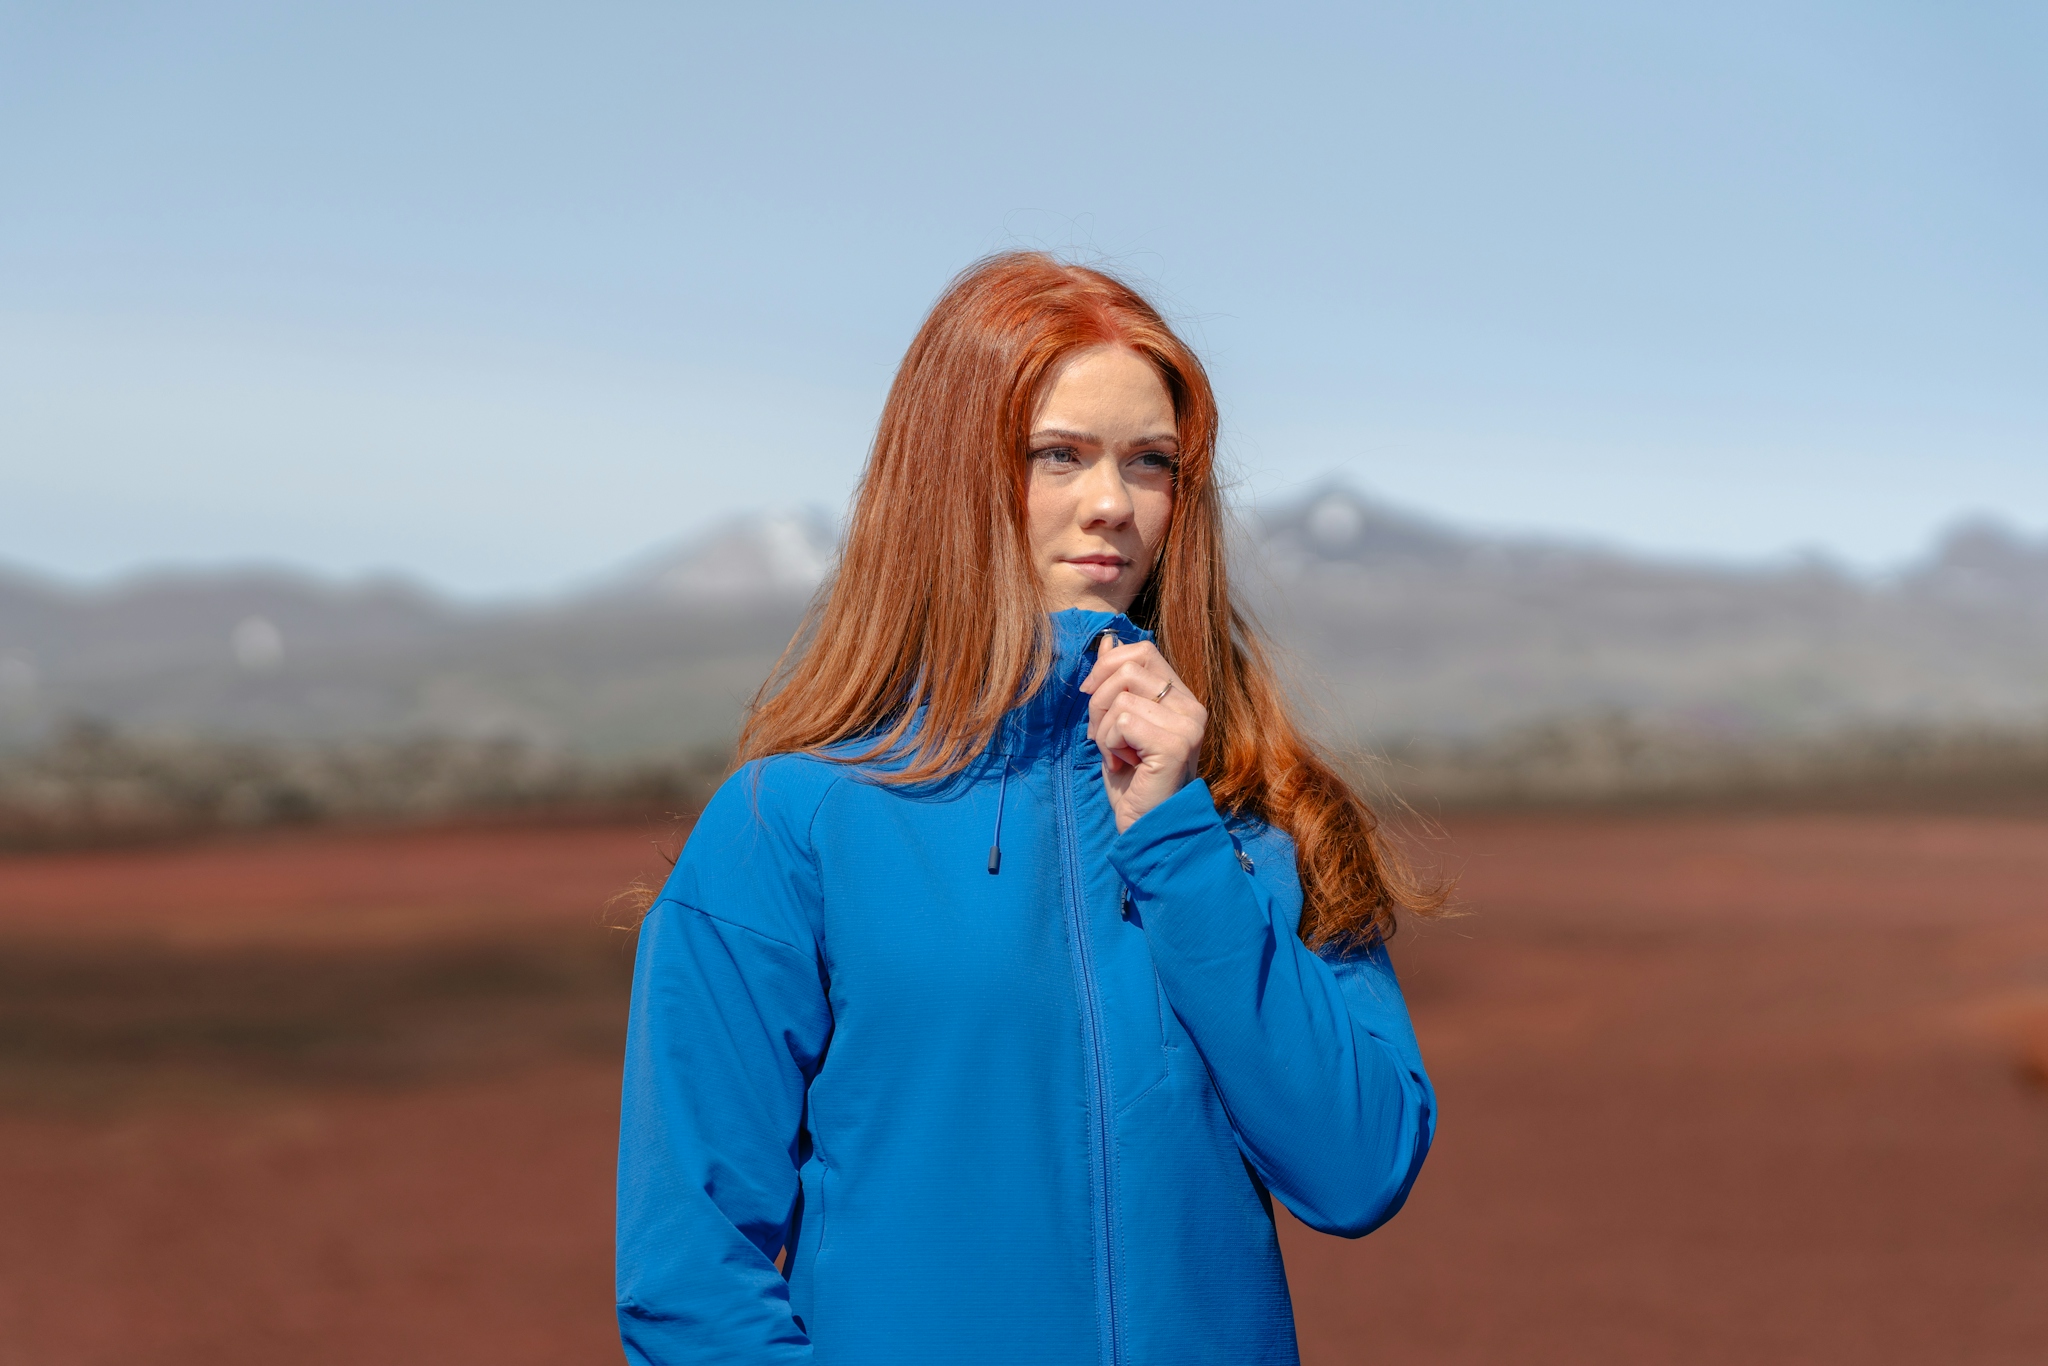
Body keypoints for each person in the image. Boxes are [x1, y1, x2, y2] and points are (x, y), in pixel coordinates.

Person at [616, 252, 1445, 1366]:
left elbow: (1359, 1167)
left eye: (1148, 464)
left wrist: (1177, 844)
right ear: (948, 476)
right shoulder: (787, 826)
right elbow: (689, 1284)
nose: (1111, 504)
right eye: (1056, 454)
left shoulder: (1257, 823)